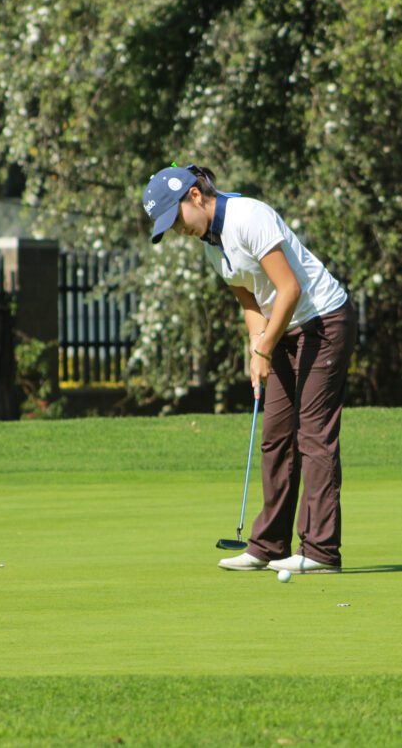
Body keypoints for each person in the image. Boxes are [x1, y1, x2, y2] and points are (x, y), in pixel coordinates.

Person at [141, 164, 356, 574]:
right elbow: (252, 303)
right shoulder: (212, 244)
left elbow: (289, 288)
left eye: (175, 218)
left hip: (324, 322)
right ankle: (270, 545)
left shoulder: (248, 217)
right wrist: (256, 348)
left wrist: (264, 351)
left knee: (313, 435)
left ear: (195, 196)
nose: (176, 230)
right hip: (283, 329)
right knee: (275, 436)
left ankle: (321, 551)